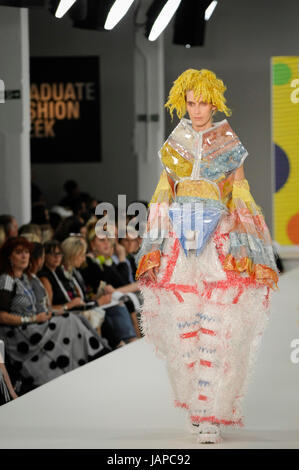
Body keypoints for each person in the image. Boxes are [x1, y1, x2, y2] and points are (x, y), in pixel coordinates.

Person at [134, 69, 279, 444]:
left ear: (215, 102)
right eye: (190, 102)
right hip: (179, 248)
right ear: (183, 102)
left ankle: (208, 413)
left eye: (203, 102)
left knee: (217, 330)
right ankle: (196, 409)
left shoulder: (228, 142)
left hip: (219, 245)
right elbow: (163, 192)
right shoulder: (175, 143)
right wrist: (153, 242)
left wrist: (250, 240)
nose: (196, 109)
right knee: (185, 330)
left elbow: (240, 191)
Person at [0, 237, 111, 394]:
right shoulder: (6, 280)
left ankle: (97, 353)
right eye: (19, 253)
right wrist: (32, 319)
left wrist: (42, 316)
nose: (25, 256)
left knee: (75, 318)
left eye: (26, 252)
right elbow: (1, 316)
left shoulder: (25, 278)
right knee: (69, 320)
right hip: (17, 334)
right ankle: (96, 355)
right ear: (9, 256)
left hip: (33, 326)